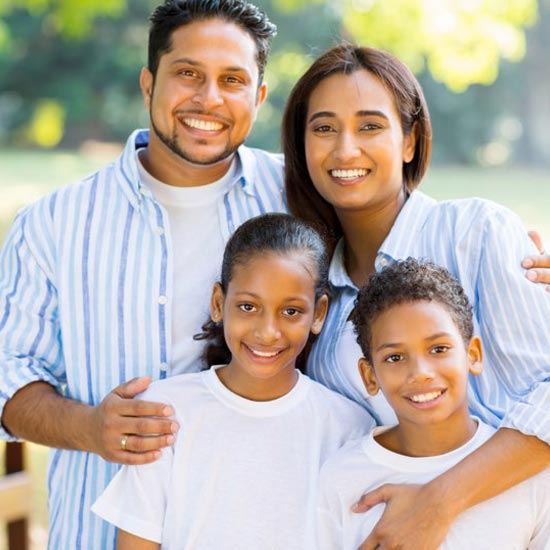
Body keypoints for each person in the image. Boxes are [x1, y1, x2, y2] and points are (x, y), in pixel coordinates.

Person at [0, 1, 283, 548]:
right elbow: (7, 378)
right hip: (96, 533)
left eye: (233, 80)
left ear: (259, 97)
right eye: (188, 74)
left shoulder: (301, 201)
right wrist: (89, 428)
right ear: (148, 83)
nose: (209, 99)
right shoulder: (53, 223)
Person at [282, 44, 550, 549]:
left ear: (409, 140)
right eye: (323, 128)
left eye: (369, 126)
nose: (344, 150)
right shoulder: (318, 299)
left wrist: (439, 502)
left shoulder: (476, 232)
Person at [92, 213, 374, 550]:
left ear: (319, 313)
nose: (267, 332)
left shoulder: (348, 428)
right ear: (217, 303)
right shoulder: (165, 413)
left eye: (291, 312)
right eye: (247, 306)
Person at [317, 258, 550, 549]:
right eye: (395, 357)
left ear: (473, 354)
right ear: (369, 375)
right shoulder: (343, 479)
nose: (421, 373)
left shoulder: (531, 476)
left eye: (439, 349)